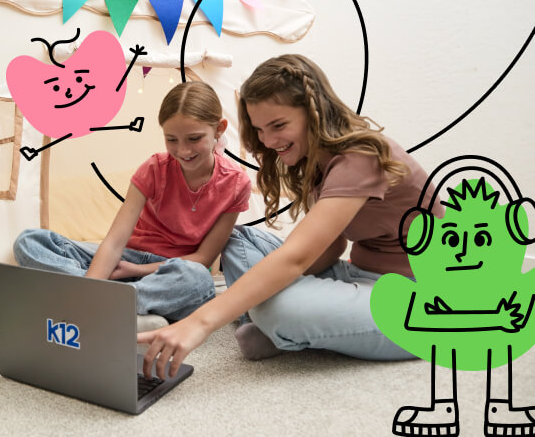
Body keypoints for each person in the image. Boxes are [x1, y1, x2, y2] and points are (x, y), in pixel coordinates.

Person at [138, 54, 443, 378]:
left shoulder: (360, 158)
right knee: (239, 239)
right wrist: (275, 284)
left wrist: (198, 323)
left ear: (314, 112)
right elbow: (333, 246)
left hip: (421, 297)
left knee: (278, 308)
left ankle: (277, 324)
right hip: (358, 275)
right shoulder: (319, 159)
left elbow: (296, 258)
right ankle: (280, 326)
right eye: (260, 129)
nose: (269, 141)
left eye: (279, 126)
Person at [13, 81, 252, 321]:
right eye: (171, 139)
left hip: (172, 271)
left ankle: (102, 299)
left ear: (219, 129)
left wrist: (138, 270)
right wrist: (93, 285)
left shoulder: (236, 184)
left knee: (198, 281)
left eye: (194, 138)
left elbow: (203, 259)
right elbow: (114, 242)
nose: (183, 150)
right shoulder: (154, 168)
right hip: (126, 258)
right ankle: (107, 300)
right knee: (31, 242)